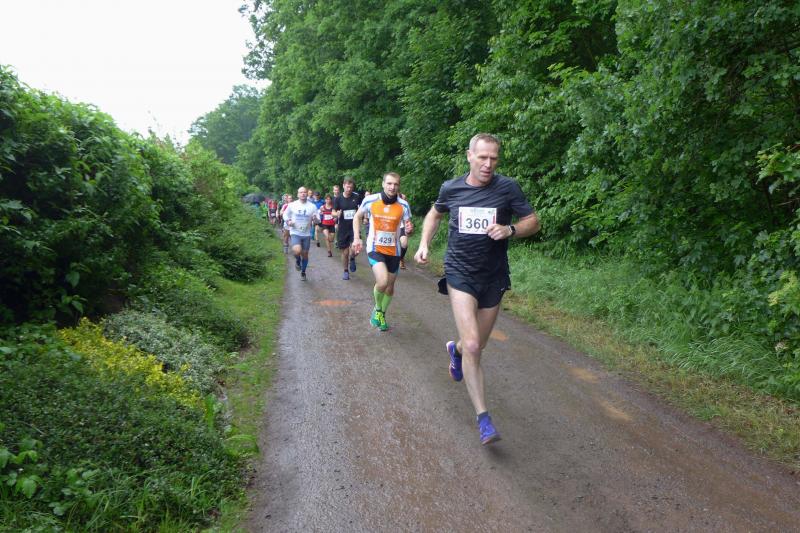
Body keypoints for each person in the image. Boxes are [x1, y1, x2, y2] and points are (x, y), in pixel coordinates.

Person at [414, 133, 540, 445]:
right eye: (482, 157)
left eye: (493, 158)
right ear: (469, 156)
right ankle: (484, 418)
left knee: (475, 345)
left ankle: (454, 351)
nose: (488, 164)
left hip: (493, 276)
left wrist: (510, 229)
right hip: (460, 272)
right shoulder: (451, 188)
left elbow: (532, 221)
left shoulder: (507, 188)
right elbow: (434, 214)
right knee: (473, 344)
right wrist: (424, 243)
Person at [352, 173, 412, 331]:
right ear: (383, 184)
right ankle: (378, 309)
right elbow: (357, 217)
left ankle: (382, 314)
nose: (392, 187)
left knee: (390, 287)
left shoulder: (403, 205)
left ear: (399, 186)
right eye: (389, 183)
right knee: (383, 281)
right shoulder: (371, 200)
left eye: (396, 184)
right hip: (375, 248)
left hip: (394, 250)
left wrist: (408, 230)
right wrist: (357, 238)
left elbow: (407, 227)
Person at [283, 187, 319, 281]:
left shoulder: (312, 206)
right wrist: (288, 221)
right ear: (298, 194)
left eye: (304, 192)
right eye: (301, 192)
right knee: (297, 251)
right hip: (295, 232)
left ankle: (303, 272)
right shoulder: (292, 205)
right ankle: (298, 261)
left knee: (305, 254)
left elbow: (318, 220)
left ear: (307, 194)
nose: (303, 194)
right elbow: (285, 214)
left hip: (306, 234)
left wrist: (315, 219)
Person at [332, 178, 360, 280]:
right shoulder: (338, 199)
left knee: (355, 249)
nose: (349, 189)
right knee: (345, 252)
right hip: (343, 228)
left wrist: (363, 217)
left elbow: (361, 209)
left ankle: (352, 258)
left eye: (351, 187)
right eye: (347, 187)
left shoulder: (356, 197)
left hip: (354, 228)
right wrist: (337, 214)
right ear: (343, 186)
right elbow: (332, 212)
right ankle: (345, 271)